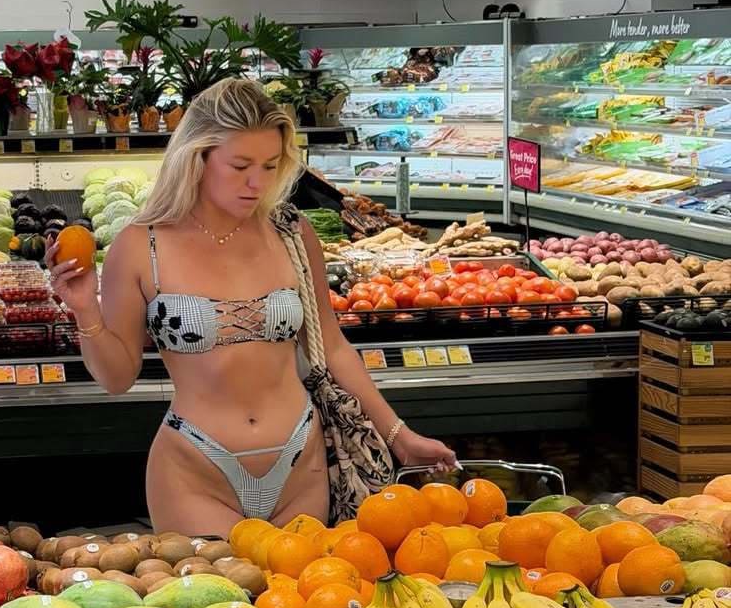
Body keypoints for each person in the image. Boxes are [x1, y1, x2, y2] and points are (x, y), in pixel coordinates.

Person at [47, 78, 456, 537]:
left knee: (307, 584)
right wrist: (85, 310)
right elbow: (117, 378)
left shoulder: (291, 233)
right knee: (216, 587)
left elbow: (334, 347)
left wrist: (400, 436)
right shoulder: (142, 246)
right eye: (240, 165)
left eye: (269, 165)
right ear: (198, 157)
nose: (257, 183)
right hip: (195, 471)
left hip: (301, 465)